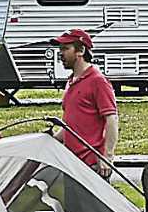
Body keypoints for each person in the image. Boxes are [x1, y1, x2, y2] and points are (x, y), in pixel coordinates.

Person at [49, 29, 118, 168]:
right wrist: (53, 139)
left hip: (92, 164)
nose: (60, 54)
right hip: (71, 163)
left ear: (80, 50)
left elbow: (112, 120)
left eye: (65, 48)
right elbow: (72, 126)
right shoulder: (71, 81)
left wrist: (107, 156)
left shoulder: (98, 81)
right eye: (60, 49)